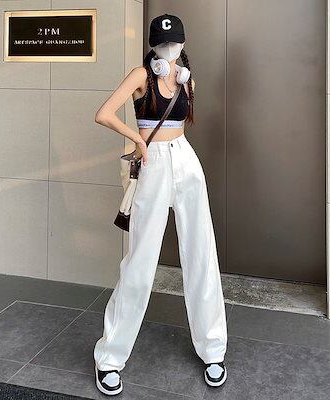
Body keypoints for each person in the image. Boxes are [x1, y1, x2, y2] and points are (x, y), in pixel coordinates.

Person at [93, 13, 228, 396]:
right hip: (152, 164)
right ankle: (109, 358)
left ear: (183, 44)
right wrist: (137, 139)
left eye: (175, 42)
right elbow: (103, 114)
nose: (170, 48)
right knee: (140, 261)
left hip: (185, 161)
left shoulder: (187, 79)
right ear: (153, 46)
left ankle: (213, 349)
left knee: (202, 253)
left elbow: (181, 128)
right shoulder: (141, 75)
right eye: (163, 43)